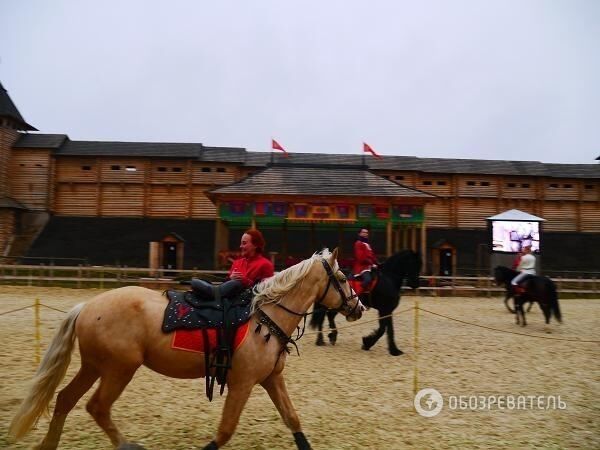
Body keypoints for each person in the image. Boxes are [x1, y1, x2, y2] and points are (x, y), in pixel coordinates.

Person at [192, 229, 274, 299]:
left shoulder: (266, 265)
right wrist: (230, 279)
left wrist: (244, 281)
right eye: (241, 243)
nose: (240, 246)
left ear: (255, 245)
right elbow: (225, 286)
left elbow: (266, 292)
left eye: (244, 243)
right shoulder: (237, 263)